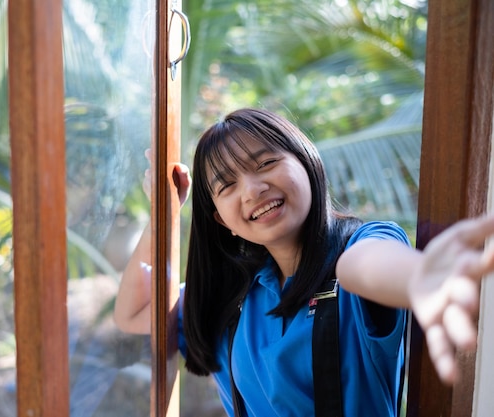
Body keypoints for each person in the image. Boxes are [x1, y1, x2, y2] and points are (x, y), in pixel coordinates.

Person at [114, 108, 494, 416]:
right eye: (227, 186)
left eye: (264, 163)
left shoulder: (357, 248)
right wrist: (162, 215)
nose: (252, 190)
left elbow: (364, 267)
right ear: (221, 221)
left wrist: (420, 275)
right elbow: (133, 316)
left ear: (306, 161)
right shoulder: (233, 300)